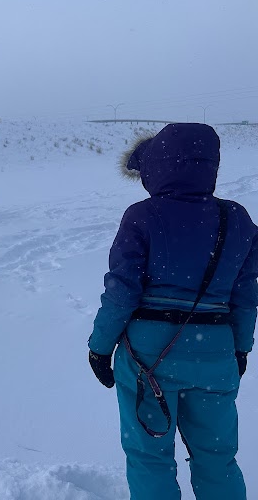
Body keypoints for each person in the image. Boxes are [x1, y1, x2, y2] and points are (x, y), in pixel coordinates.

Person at [87, 123, 258, 500]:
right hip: (216, 354)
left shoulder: (142, 216)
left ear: (157, 166)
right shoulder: (238, 219)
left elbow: (121, 291)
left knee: (150, 458)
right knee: (217, 456)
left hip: (149, 358)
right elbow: (246, 297)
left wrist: (100, 347)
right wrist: (241, 348)